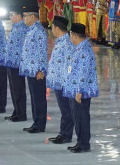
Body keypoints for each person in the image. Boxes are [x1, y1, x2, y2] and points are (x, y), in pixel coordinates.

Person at [63, 23, 99, 153]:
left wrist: (79, 91)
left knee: (81, 117)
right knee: (78, 117)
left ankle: (83, 144)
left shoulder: (84, 50)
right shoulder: (80, 48)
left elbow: (84, 72)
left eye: (70, 35)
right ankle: (80, 141)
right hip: (75, 89)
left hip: (80, 91)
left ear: (74, 35)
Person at [46, 16, 75, 144]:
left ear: (57, 28)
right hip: (58, 82)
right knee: (64, 110)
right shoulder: (60, 41)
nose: (52, 29)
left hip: (63, 83)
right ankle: (63, 133)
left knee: (66, 110)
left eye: (52, 27)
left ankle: (66, 135)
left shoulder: (66, 43)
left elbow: (69, 64)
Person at [20, 5, 48, 133]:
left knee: (38, 98)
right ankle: (35, 121)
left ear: (33, 17)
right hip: (30, 69)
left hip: (37, 71)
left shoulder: (39, 31)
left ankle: (40, 123)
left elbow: (42, 51)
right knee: (33, 97)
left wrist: (42, 70)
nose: (23, 18)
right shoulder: (31, 29)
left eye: (25, 16)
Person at [4, 7, 30, 122]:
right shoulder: (15, 27)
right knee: (14, 89)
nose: (10, 17)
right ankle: (16, 111)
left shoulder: (24, 29)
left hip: (18, 63)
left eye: (12, 14)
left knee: (18, 89)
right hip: (11, 63)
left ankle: (21, 113)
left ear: (19, 16)